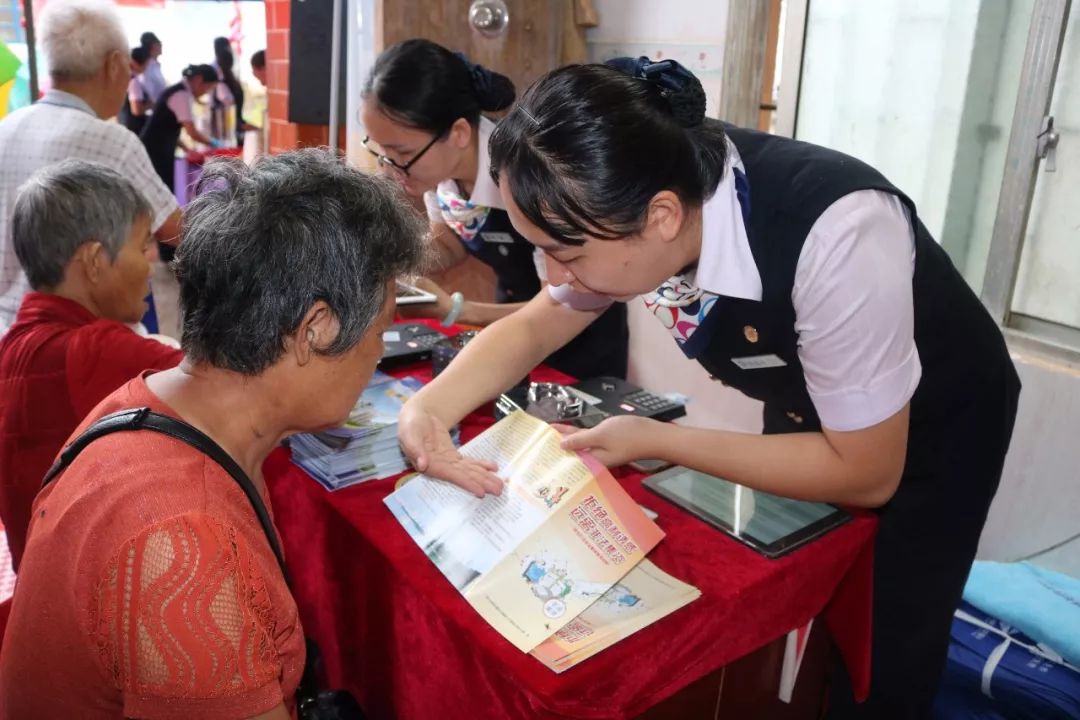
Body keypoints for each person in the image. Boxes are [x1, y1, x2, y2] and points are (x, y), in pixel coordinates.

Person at [398, 58, 1021, 719]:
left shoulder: (838, 231)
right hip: (811, 402)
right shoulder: (640, 190)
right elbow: (537, 324)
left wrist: (660, 438)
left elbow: (866, 472)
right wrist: (427, 409)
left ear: (662, 217)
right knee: (801, 578)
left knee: (890, 635)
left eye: (568, 252)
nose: (554, 273)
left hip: (936, 425)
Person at [0, 149, 425, 719]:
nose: (377, 354)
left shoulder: (153, 404)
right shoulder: (183, 544)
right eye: (380, 330)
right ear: (316, 330)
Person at [361, 38, 629, 380]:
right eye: (381, 152)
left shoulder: (527, 177)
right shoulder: (442, 175)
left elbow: (560, 302)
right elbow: (451, 242)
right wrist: (395, 268)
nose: (389, 168)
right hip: (509, 316)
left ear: (458, 133)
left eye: (400, 153)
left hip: (576, 339)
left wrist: (457, 309)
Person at [0, 160, 183, 571]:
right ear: (96, 261)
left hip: (38, 572)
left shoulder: (16, 341)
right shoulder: (95, 351)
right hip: (87, 587)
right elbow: (228, 385)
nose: (151, 264)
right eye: (141, 247)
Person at [0, 0, 181, 335]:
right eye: (128, 66)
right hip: (83, 341)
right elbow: (175, 229)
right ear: (114, 64)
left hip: (9, 335)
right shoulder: (113, 141)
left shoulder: (5, 129)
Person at [140, 63, 219, 261]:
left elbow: (173, 127)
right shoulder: (181, 95)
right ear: (200, 80)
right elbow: (190, 129)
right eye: (207, 88)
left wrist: (185, 148)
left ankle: (169, 250)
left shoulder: (177, 91)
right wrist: (215, 143)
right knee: (164, 198)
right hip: (154, 152)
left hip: (159, 150)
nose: (205, 93)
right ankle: (169, 252)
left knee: (165, 196)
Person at [117, 45, 151, 135]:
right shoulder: (134, 82)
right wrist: (151, 104)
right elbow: (136, 110)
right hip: (134, 129)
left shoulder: (122, 78)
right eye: (147, 64)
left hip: (123, 124)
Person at [138, 30, 166, 102]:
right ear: (153, 45)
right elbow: (149, 93)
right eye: (159, 43)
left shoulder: (155, 66)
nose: (161, 45)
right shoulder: (146, 67)